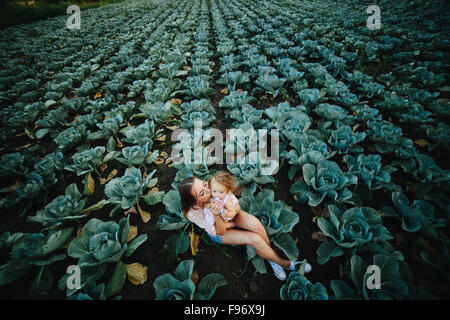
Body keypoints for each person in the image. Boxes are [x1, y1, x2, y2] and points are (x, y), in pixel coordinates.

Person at [179, 175, 312, 281]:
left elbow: (236, 204)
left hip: (230, 215)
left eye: (204, 184)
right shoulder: (193, 213)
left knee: (257, 225)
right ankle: (286, 264)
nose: (208, 190)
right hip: (219, 230)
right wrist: (218, 216)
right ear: (196, 202)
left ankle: (269, 255)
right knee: (255, 239)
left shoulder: (212, 185)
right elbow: (219, 231)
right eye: (202, 193)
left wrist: (232, 213)